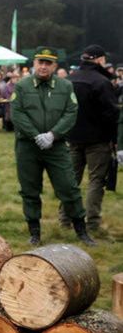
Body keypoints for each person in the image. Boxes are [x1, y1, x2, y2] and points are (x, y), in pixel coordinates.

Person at [10, 47, 95, 246]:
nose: (43, 66)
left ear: (55, 65)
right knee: (30, 190)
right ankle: (34, 232)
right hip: (27, 147)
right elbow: (17, 113)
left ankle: (81, 231)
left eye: (48, 63)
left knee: (69, 187)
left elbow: (71, 112)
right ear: (34, 63)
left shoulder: (65, 87)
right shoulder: (22, 86)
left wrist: (52, 134)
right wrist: (35, 135)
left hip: (56, 147)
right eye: (40, 62)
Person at [59, 45, 119, 233]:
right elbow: (111, 113)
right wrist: (113, 139)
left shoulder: (68, 80)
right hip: (98, 139)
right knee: (96, 181)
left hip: (72, 137)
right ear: (100, 60)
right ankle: (92, 222)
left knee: (71, 180)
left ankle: (65, 220)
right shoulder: (102, 82)